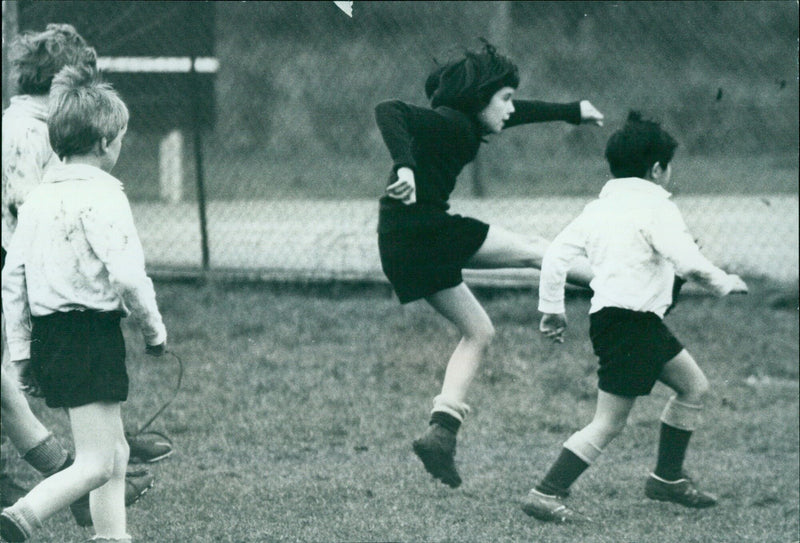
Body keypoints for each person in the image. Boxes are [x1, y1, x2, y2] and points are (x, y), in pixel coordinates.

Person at [374, 40, 604, 488]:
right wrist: (403, 167)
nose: (510, 109)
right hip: (425, 232)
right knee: (536, 251)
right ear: (478, 100)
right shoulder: (446, 123)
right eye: (504, 98)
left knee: (478, 332)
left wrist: (570, 111)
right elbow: (389, 109)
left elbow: (517, 113)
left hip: (402, 243)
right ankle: (623, 285)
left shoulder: (464, 121)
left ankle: (441, 433)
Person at [520, 111, 748, 523]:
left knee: (693, 385)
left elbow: (554, 256)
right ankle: (546, 492)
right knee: (608, 422)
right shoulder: (656, 207)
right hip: (630, 325)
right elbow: (689, 263)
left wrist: (552, 309)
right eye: (667, 167)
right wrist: (724, 282)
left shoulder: (598, 209)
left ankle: (667, 479)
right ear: (657, 169)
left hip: (625, 322)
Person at [0, 23, 160, 527]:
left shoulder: (42, 188)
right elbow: (129, 276)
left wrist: (22, 354)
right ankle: (24, 515)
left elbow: (13, 273)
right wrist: (154, 329)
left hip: (45, 332)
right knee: (96, 461)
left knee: (112, 452)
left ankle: (112, 536)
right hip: (88, 332)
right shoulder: (100, 192)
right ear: (107, 141)